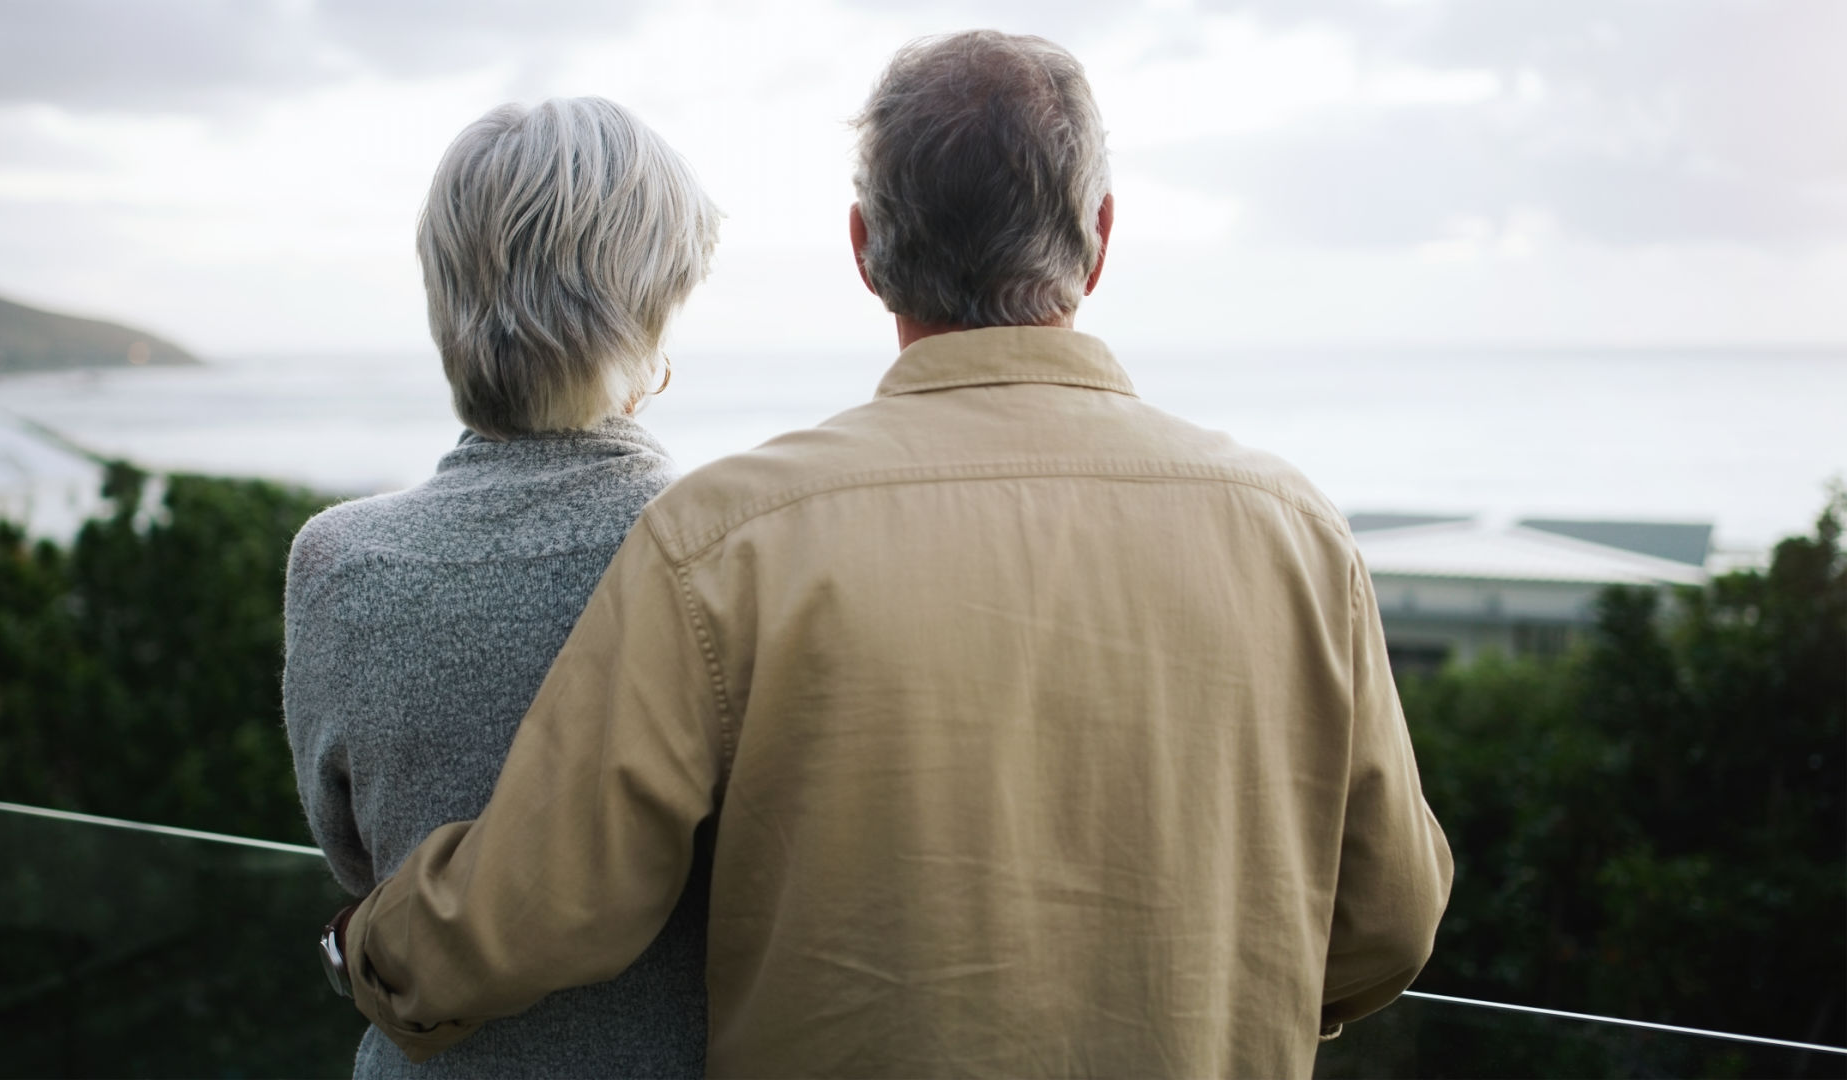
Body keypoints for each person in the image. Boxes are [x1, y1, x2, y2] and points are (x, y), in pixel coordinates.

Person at [333, 31, 1453, 1078]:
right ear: (1099, 237)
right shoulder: (1291, 532)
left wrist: (367, 950)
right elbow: (1391, 917)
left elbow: (544, 903)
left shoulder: (729, 541)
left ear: (866, 250)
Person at [284, 97, 720, 1078]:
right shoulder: (723, 550)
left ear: (443, 286)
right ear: (656, 296)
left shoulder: (336, 566)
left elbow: (359, 871)